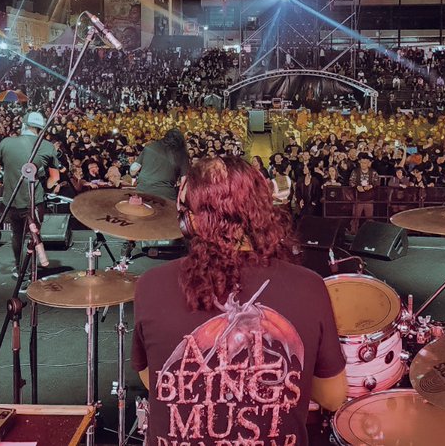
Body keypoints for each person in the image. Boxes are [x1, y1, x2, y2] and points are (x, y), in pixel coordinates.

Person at [132, 156, 347, 446]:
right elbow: (333, 397)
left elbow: (154, 381)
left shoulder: (150, 285)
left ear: (189, 221)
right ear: (262, 212)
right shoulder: (309, 286)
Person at [0, 111, 61, 279]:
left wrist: (0, 178)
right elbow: (55, 178)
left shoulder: (6, 142)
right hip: (35, 202)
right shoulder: (47, 146)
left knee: (17, 235)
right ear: (40, 128)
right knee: (34, 235)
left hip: (11, 200)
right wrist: (47, 187)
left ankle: (19, 267)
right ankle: (31, 272)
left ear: (23, 125)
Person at [135, 128, 187, 200]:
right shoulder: (181, 154)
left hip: (142, 191)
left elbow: (133, 169)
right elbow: (184, 181)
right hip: (165, 194)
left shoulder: (150, 147)